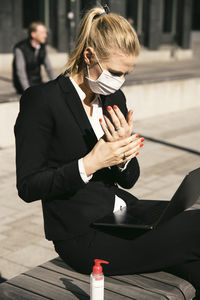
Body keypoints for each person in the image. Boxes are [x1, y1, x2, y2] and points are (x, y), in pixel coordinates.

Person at [14, 5, 200, 299]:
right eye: (115, 72)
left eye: (127, 73)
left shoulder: (113, 95)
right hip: (82, 236)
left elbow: (129, 180)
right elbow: (27, 185)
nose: (120, 80)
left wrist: (124, 156)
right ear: (88, 56)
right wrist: (88, 165)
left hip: (125, 213)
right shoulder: (42, 100)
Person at [12, 21, 55, 94]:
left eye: (45, 33)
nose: (45, 35)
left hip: (38, 82)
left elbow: (49, 68)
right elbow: (21, 72)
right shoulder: (20, 48)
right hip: (23, 86)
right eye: (42, 33)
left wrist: (56, 85)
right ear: (33, 34)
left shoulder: (42, 47)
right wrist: (27, 91)